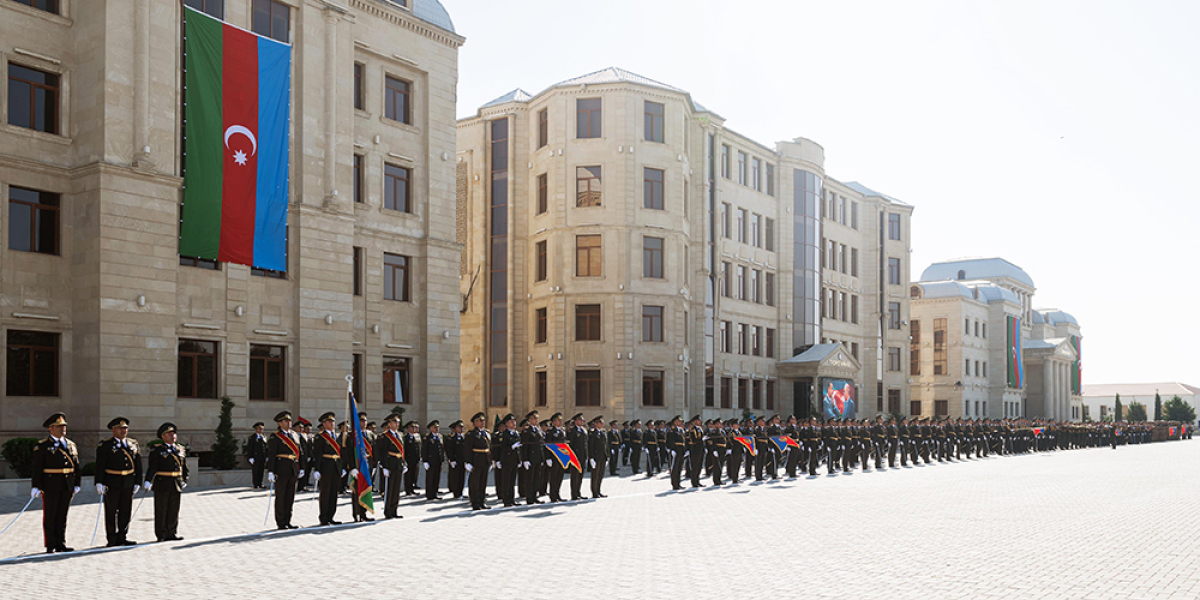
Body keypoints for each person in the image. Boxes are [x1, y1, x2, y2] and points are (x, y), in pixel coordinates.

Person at [31, 413, 81, 553]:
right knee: (51, 515)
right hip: (50, 484)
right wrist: (36, 486)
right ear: (51, 429)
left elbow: (76, 466)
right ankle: (50, 544)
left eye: (64, 426)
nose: (62, 428)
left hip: (67, 484)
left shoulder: (70, 444)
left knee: (62, 515)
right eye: (59, 426)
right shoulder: (43, 446)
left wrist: (77, 483)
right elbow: (37, 468)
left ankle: (61, 543)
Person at [94, 416, 143, 547]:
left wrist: (138, 481)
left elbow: (138, 464)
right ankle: (111, 538)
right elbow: (100, 465)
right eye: (120, 428)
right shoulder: (106, 445)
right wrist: (99, 482)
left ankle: (123, 536)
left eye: (125, 428)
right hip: (112, 482)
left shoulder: (132, 444)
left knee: (125, 510)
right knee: (111, 511)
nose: (123, 431)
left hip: (128, 482)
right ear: (113, 430)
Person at [145, 422, 188, 542]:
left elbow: (184, 467)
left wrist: (184, 479)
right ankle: (161, 534)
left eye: (174, 433)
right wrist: (148, 480)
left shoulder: (180, 449)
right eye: (169, 434)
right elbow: (152, 466)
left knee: (174, 510)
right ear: (163, 436)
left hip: (176, 483)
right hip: (162, 483)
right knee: (161, 510)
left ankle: (172, 532)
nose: (172, 435)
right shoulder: (157, 449)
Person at [265, 411, 303, 530]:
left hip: (293, 469)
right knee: (281, 497)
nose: (289, 422)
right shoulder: (275, 436)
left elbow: (300, 452)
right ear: (280, 423)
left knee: (290, 497)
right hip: (281, 469)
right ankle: (281, 522)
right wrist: (271, 471)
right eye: (286, 421)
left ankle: (288, 520)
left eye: (290, 420)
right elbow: (272, 454)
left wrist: (302, 467)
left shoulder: (294, 435)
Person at [311, 412, 345, 526]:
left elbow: (342, 453)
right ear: (324, 424)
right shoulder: (320, 437)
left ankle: (331, 516)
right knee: (325, 493)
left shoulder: (338, 436)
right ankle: (324, 517)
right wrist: (317, 469)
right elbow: (318, 454)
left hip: (336, 467)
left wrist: (343, 467)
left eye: (333, 421)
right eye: (329, 421)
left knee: (334, 493)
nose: (332, 423)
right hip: (326, 467)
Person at [374, 414, 406, 518]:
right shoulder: (384, 437)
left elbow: (402, 451)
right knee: (389, 489)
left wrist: (404, 463)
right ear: (389, 424)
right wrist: (383, 466)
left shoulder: (400, 435)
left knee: (396, 489)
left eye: (398, 422)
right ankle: (388, 511)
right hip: (389, 465)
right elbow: (380, 452)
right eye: (394, 422)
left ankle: (394, 510)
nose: (397, 424)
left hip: (398, 464)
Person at [465, 413, 491, 510]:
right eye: (480, 421)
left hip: (485, 461)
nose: (482, 422)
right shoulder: (471, 434)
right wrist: (468, 462)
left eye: (483, 420)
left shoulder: (486, 433)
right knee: (475, 483)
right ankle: (475, 503)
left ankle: (482, 501)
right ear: (475, 423)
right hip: (476, 461)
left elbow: (489, 448)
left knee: (483, 483)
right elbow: (467, 449)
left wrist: (490, 461)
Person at [518, 411, 545, 505]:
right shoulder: (527, 431)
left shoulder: (538, 430)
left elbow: (540, 445)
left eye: (537, 419)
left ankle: (534, 496)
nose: (536, 420)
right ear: (530, 420)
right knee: (530, 479)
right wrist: (525, 459)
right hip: (530, 458)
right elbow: (525, 446)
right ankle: (529, 497)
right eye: (534, 419)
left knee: (536, 478)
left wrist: (542, 458)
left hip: (537, 458)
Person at [497, 414, 521, 506]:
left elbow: (519, 449)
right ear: (506, 424)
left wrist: (519, 460)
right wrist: (511, 447)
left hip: (514, 460)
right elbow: (502, 447)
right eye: (511, 422)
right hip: (507, 460)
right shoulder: (504, 434)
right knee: (506, 481)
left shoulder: (516, 433)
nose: (514, 423)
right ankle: (506, 500)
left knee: (512, 481)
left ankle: (512, 499)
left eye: (514, 421)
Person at [543, 413, 567, 502]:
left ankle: (557, 493)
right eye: (559, 420)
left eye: (561, 420)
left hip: (561, 457)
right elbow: (547, 445)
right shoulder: (550, 432)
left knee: (560, 476)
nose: (561, 422)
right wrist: (548, 458)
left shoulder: (562, 431)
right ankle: (553, 495)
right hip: (554, 458)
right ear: (554, 422)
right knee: (553, 477)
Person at [567, 413, 589, 500]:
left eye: (582, 420)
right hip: (575, 457)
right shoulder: (572, 431)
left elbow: (586, 444)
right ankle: (574, 494)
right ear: (576, 421)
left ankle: (578, 492)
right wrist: (571, 458)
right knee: (575, 476)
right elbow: (570, 445)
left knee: (580, 475)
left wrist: (586, 455)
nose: (582, 422)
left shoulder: (584, 430)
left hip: (583, 456)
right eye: (580, 420)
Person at [422, 420, 445, 501]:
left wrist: (442, 460)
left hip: (438, 460)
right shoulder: (427, 437)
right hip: (430, 461)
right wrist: (425, 461)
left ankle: (435, 493)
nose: (437, 428)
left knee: (436, 477)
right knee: (430, 478)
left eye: (437, 427)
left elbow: (441, 449)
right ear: (431, 428)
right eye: (435, 427)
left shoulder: (440, 436)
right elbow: (424, 450)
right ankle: (429, 494)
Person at [588, 416, 609, 498]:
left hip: (603, 457)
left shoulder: (603, 432)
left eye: (602, 422)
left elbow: (606, 445)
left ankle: (599, 491)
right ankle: (594, 492)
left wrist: (607, 456)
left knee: (600, 475)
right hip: (596, 457)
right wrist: (591, 458)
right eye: (600, 422)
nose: (602, 424)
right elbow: (590, 446)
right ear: (596, 424)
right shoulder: (593, 433)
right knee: (595, 476)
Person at [445, 420, 466, 500]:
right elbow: (450, 449)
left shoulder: (464, 437)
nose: (461, 429)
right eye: (459, 427)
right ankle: (456, 492)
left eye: (462, 427)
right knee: (456, 477)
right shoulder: (452, 438)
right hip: (456, 460)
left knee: (461, 477)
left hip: (462, 460)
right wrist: (451, 459)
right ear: (456, 428)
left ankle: (460, 492)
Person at [402, 420, 422, 495]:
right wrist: (404, 460)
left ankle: (412, 488)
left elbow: (419, 447)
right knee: (408, 475)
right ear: (408, 428)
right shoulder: (405, 438)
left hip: (415, 459)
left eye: (414, 427)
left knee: (414, 474)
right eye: (412, 427)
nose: (414, 429)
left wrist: (420, 456)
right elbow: (404, 449)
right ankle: (408, 490)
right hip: (409, 459)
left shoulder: (416, 436)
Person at [246, 422, 268, 489]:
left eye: (262, 429)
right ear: (256, 429)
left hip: (262, 457)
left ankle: (260, 483)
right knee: (256, 471)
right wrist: (250, 457)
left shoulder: (264, 437)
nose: (261, 430)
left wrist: (267, 456)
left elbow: (266, 447)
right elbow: (250, 448)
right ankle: (255, 484)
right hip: (255, 457)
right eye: (260, 428)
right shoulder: (252, 438)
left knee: (261, 471)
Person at [666, 416, 686, 490]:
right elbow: (670, 441)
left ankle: (678, 483)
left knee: (679, 468)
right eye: (679, 421)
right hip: (676, 450)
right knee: (675, 468)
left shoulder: (681, 430)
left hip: (681, 451)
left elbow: (684, 441)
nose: (681, 422)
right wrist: (672, 449)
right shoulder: (672, 431)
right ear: (675, 422)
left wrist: (685, 450)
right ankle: (674, 484)